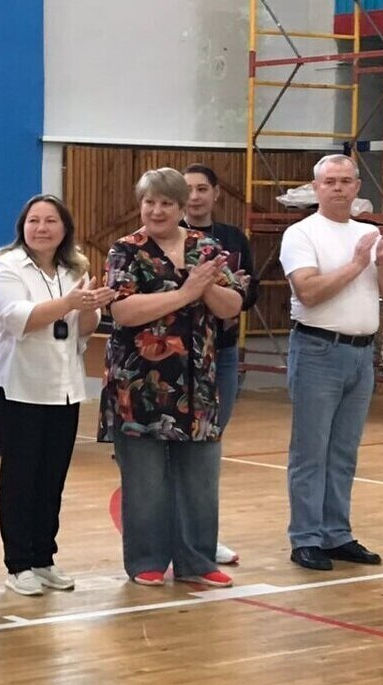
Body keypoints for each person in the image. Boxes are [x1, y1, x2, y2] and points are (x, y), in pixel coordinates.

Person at [99, 168, 244, 588]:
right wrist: (185, 293)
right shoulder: (125, 250)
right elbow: (123, 311)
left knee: (200, 478)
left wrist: (205, 287)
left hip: (198, 383)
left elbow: (231, 306)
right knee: (145, 480)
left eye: (166, 203)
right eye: (150, 202)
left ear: (182, 207)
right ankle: (146, 559)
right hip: (140, 384)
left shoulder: (206, 247)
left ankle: (197, 560)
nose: (157, 210)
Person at [281, 154, 383, 570]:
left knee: (344, 451)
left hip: (361, 353)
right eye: (330, 181)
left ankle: (336, 533)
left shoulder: (367, 233)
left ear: (356, 187)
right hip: (318, 350)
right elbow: (309, 292)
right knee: (311, 450)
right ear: (316, 188)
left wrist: (382, 261)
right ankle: (306, 537)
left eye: (346, 181)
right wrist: (356, 263)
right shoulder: (301, 233)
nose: (338, 188)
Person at [0, 195, 112, 596]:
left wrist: (90, 306)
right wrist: (69, 303)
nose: (41, 228)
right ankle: (18, 563)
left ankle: (44, 558)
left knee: (51, 479)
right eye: (34, 221)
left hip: (64, 389)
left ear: (64, 228)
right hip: (19, 388)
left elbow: (83, 329)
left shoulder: (74, 268)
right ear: (22, 227)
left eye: (50, 221)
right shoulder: (7, 266)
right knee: (20, 479)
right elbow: (17, 319)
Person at [182, 163, 259, 566]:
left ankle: (203, 537)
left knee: (208, 446)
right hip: (180, 356)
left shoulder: (232, 238)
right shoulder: (167, 237)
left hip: (223, 354)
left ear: (215, 193)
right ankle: (173, 536)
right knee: (177, 450)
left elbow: (249, 291)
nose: (194, 196)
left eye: (201, 188)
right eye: (187, 189)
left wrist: (237, 294)